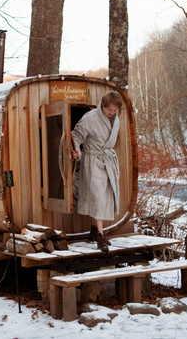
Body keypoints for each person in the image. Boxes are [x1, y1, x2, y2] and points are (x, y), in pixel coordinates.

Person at [70, 91, 123, 252]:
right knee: (98, 197)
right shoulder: (90, 118)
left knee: (106, 196)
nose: (112, 113)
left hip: (107, 160)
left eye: (114, 111)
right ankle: (101, 235)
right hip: (93, 161)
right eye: (109, 110)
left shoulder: (115, 119)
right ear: (103, 105)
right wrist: (76, 150)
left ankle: (94, 230)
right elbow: (76, 135)